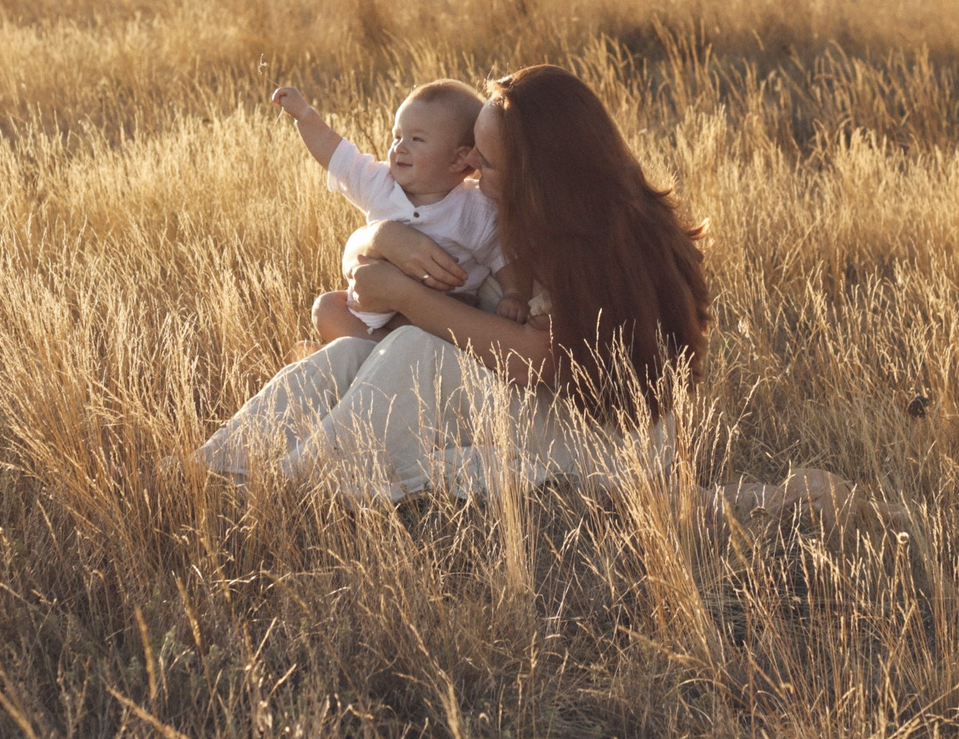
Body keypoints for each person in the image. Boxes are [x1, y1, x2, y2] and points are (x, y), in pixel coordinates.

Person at [197, 64, 849, 521]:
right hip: (526, 402)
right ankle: (218, 464)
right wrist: (382, 246)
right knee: (347, 358)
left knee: (416, 353)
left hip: (589, 434)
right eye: (472, 153)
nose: (470, 171)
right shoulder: (508, 214)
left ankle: (298, 483)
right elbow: (380, 250)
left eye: (487, 160)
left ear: (542, 173)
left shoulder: (592, 240)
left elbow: (537, 360)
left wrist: (399, 286)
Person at [271, 78, 533, 345]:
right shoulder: (380, 182)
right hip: (374, 311)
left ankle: (369, 355)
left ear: (457, 159)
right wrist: (304, 115)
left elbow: (504, 255)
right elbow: (336, 154)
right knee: (326, 307)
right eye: (397, 136)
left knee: (430, 331)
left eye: (416, 139)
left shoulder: (475, 208)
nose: (399, 147)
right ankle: (368, 351)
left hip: (441, 315)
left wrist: (514, 294)